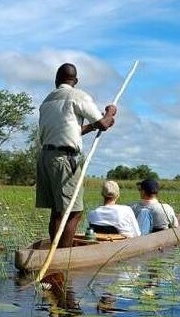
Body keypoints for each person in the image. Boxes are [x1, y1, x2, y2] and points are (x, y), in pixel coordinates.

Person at [36, 63, 117, 248]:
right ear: (76, 81)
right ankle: (63, 255)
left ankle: (55, 252)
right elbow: (103, 123)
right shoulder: (77, 95)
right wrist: (110, 112)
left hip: (45, 158)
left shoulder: (47, 101)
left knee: (57, 211)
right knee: (73, 212)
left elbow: (73, 130)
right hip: (64, 159)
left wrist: (95, 125)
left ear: (56, 81)